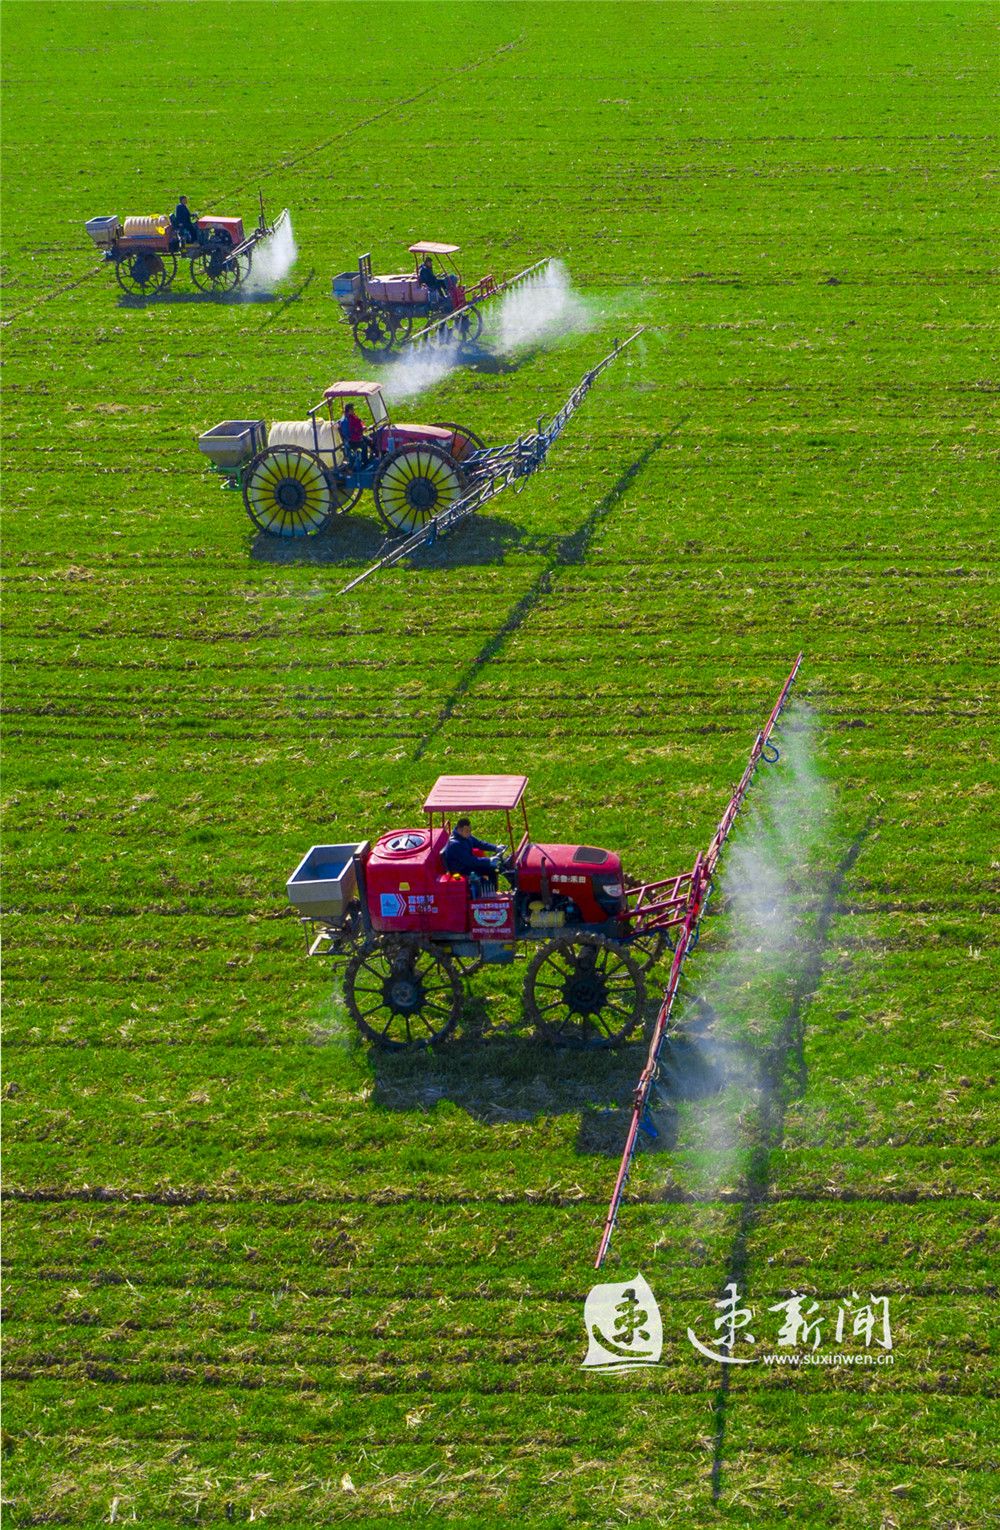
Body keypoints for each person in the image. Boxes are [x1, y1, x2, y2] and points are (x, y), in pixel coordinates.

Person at [443, 818, 503, 898]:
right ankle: (485, 896)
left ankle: (492, 893)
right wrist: (489, 860)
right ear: (460, 830)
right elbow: (470, 861)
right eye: (467, 831)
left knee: (493, 868)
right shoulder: (455, 844)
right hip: (462, 869)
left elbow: (479, 843)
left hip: (468, 865)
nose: (470, 833)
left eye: (470, 830)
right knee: (488, 869)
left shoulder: (466, 836)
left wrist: (495, 848)